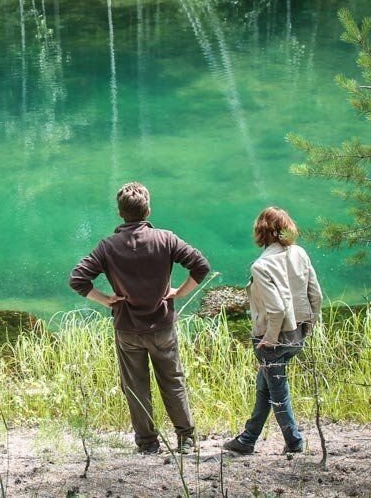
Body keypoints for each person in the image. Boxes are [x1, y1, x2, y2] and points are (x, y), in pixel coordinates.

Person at [69, 182, 211, 455]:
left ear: (121, 213)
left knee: (135, 386)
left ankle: (147, 443)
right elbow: (201, 266)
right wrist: (179, 293)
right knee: (173, 381)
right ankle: (186, 439)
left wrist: (105, 298)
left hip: (128, 329)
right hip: (162, 326)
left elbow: (78, 279)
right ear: (148, 209)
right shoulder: (166, 238)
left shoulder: (107, 246)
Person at [223, 206, 323, 456]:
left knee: (278, 392)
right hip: (298, 333)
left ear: (261, 232)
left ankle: (294, 441)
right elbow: (316, 296)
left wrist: (269, 339)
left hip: (274, 339)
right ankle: (247, 439)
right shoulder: (300, 253)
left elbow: (277, 310)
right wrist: (307, 328)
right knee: (265, 386)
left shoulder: (262, 265)